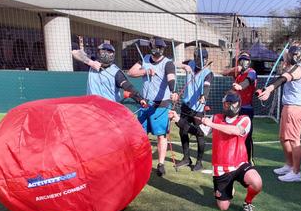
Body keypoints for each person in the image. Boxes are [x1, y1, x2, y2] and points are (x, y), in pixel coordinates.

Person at [168, 91, 263, 211]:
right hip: (220, 167)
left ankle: (248, 202)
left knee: (257, 182)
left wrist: (212, 124)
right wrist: (177, 119)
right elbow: (197, 132)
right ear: (223, 104)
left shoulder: (244, 119)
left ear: (239, 104)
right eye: (227, 103)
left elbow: (235, 131)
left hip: (239, 163)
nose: (230, 106)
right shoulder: (216, 117)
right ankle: (229, 187)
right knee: (223, 207)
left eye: (233, 103)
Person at [258, 41, 301, 182]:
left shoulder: (300, 68)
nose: (293, 56)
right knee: (283, 138)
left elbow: (284, 78)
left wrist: (269, 89)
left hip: (295, 108)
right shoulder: (295, 64)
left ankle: (296, 173)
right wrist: (288, 58)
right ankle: (289, 166)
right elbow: (286, 51)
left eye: (296, 54)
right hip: (288, 107)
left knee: (294, 141)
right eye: (292, 53)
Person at [127, 37, 178, 176]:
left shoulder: (168, 63)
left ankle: (160, 164)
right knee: (140, 135)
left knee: (161, 136)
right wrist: (145, 72)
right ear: (151, 47)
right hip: (145, 103)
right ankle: (141, 162)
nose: (158, 50)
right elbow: (130, 73)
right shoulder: (144, 59)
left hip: (161, 105)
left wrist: (173, 90)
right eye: (156, 47)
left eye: (161, 48)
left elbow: (171, 78)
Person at [175, 46, 214, 171]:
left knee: (199, 135)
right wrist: (183, 66)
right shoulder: (190, 64)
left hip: (198, 108)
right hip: (186, 106)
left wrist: (204, 96)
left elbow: (206, 86)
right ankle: (186, 158)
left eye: (204, 58)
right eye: (199, 57)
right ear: (195, 57)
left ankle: (199, 162)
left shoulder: (208, 73)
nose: (201, 60)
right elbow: (173, 64)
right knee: (182, 131)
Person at [72, 43, 146, 106]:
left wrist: (139, 98)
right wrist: (90, 63)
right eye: (103, 51)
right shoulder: (92, 64)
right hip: (92, 106)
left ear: (113, 54)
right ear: (98, 53)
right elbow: (75, 52)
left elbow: (127, 85)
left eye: (110, 52)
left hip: (110, 108)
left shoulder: (116, 72)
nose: (106, 54)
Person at [221, 51, 257, 165]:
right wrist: (235, 69)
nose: (243, 62)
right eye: (241, 59)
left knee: (246, 135)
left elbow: (249, 80)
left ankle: (248, 160)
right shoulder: (237, 72)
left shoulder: (252, 72)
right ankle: (234, 157)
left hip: (246, 108)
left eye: (246, 59)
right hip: (235, 107)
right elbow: (223, 73)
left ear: (249, 61)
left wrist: (240, 86)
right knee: (232, 133)